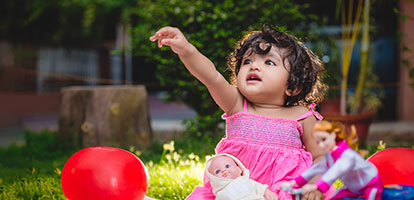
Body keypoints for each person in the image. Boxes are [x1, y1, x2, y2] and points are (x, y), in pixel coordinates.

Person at [149, 24, 327, 200]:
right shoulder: (236, 104)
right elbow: (211, 77)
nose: (254, 66)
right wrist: (186, 50)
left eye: (269, 62)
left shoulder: (302, 116)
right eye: (247, 61)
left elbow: (320, 156)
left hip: (281, 193)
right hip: (235, 193)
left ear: (293, 86)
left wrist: (317, 184)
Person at [281, 120, 383, 200]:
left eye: (324, 139)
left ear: (333, 135)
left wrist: (316, 186)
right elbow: (317, 168)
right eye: (317, 142)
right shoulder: (330, 156)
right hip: (352, 187)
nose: (321, 145)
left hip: (370, 183)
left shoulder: (347, 156)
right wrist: (294, 183)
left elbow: (335, 172)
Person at [206, 153, 278, 200]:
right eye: (217, 171)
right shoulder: (221, 193)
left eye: (227, 166)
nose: (223, 170)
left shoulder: (246, 181)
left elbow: (259, 188)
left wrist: (268, 193)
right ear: (214, 180)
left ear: (239, 169)